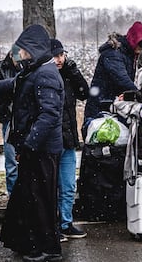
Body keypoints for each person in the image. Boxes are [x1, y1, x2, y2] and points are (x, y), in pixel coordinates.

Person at [0, 24, 64, 262]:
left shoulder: (45, 73)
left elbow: (49, 115)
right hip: (33, 148)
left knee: (40, 199)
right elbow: (10, 86)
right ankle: (28, 243)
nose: (19, 55)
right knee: (28, 198)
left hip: (42, 150)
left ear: (32, 49)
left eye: (23, 50)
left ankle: (48, 249)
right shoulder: (33, 72)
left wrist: (29, 145)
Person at [51, 38, 89, 241]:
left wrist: (73, 71)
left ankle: (66, 223)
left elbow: (85, 93)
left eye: (61, 55)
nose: (58, 60)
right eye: (54, 56)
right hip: (51, 140)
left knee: (68, 185)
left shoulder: (68, 75)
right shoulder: (44, 77)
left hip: (68, 138)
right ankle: (53, 225)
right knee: (51, 186)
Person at [84, 21, 142, 122]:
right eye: (139, 47)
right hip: (102, 105)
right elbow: (121, 78)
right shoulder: (113, 54)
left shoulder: (129, 54)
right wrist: (139, 95)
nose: (140, 51)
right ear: (133, 42)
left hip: (112, 103)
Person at [0, 45, 21, 195]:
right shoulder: (0, 67)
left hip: (23, 117)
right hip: (8, 117)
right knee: (10, 161)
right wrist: (14, 85)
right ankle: (12, 195)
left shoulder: (27, 66)